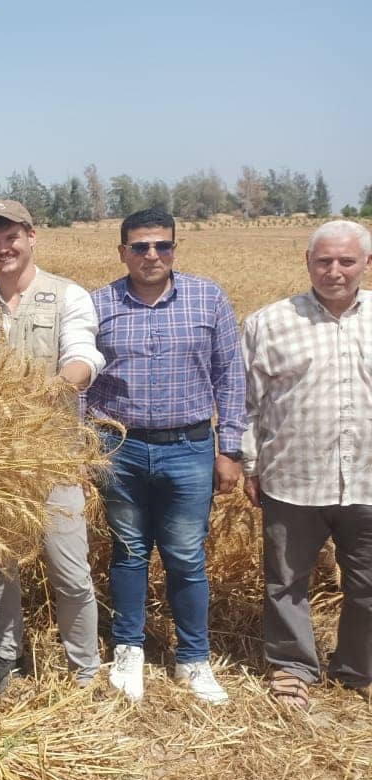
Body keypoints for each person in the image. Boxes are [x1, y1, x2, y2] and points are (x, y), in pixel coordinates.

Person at [88, 207, 245, 704]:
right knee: (129, 553)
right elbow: (81, 380)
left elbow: (230, 377)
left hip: (190, 448)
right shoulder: (99, 305)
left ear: (175, 248)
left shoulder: (208, 298)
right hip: (120, 449)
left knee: (185, 556)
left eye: (162, 245)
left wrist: (231, 449)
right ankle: (129, 650)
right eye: (140, 246)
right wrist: (83, 444)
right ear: (122, 252)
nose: (152, 255)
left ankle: (193, 659)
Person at [0, 201, 104, 690]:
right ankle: (7, 658)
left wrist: (51, 388)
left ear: (31, 237)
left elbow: (83, 359)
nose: (3, 249)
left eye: (11, 238)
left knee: (70, 571)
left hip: (56, 459)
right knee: (0, 570)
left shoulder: (68, 296)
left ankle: (84, 669)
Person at [240, 219, 372, 711]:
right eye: (324, 261)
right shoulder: (269, 322)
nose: (334, 271)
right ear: (307, 262)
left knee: (367, 584)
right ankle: (293, 666)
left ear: (366, 264)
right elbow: (248, 403)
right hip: (293, 477)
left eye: (345, 261)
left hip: (367, 478)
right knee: (287, 580)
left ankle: (358, 667)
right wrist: (250, 464)